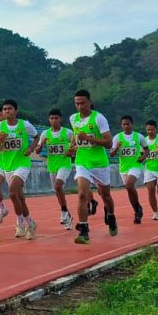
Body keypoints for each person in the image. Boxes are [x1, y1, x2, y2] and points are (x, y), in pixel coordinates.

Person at [68, 89, 117, 244]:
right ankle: (83, 230)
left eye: (83, 103)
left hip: (99, 163)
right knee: (82, 193)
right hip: (82, 162)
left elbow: (108, 143)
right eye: (77, 103)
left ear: (89, 102)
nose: (80, 106)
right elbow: (76, 138)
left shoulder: (99, 118)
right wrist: (72, 146)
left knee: (105, 196)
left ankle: (111, 215)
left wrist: (89, 138)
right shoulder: (73, 118)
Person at [0, 99, 38, 239]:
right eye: (4, 109)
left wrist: (31, 149)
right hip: (7, 166)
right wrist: (0, 141)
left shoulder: (25, 125)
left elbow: (36, 137)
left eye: (10, 108)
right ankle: (31, 223)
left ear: (16, 110)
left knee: (12, 193)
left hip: (22, 164)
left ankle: (19, 224)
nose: (7, 111)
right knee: (20, 198)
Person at [36, 108, 74, 229]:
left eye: (56, 118)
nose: (54, 120)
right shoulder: (45, 134)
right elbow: (37, 151)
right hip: (52, 166)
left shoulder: (68, 133)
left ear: (60, 119)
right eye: (51, 118)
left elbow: (76, 145)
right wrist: (41, 144)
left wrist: (71, 151)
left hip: (64, 164)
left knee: (58, 186)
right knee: (57, 191)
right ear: (49, 120)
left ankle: (63, 211)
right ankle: (67, 214)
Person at [110, 115, 148, 224]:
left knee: (129, 185)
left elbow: (146, 149)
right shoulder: (117, 137)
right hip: (123, 168)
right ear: (121, 125)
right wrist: (117, 147)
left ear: (132, 124)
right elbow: (112, 154)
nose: (126, 126)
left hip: (135, 165)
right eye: (124, 124)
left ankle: (137, 208)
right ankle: (137, 210)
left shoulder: (138, 137)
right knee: (129, 190)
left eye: (128, 124)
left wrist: (143, 157)